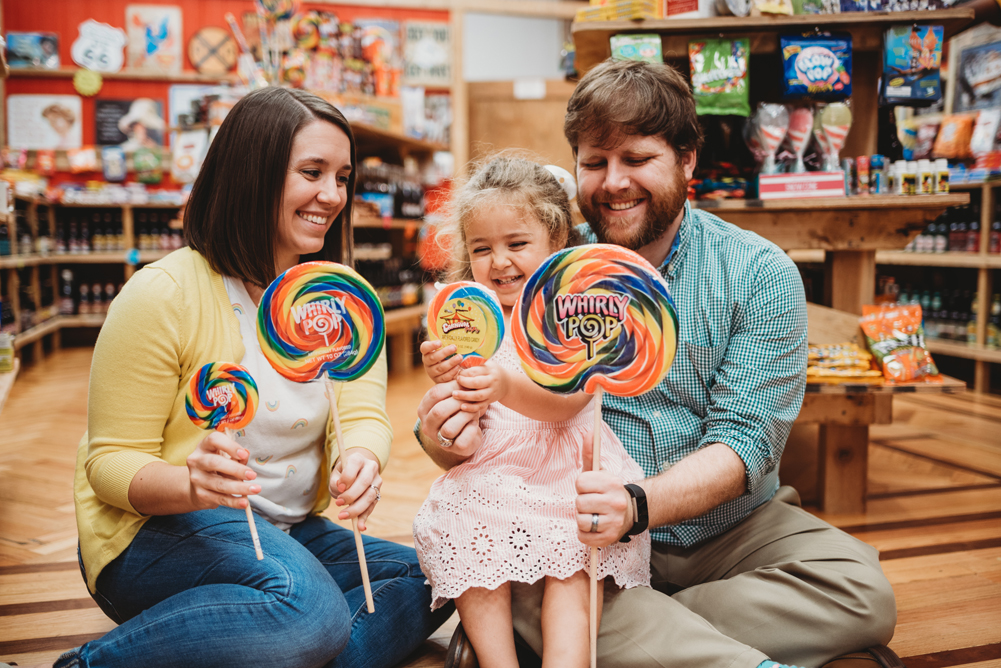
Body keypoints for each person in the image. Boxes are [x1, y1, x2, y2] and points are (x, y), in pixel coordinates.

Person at [417, 60, 897, 668]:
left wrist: (636, 505)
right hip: (568, 521)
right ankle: (683, 643)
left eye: (636, 159)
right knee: (526, 567)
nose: (613, 183)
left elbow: (748, 443)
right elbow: (483, 385)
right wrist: (440, 434)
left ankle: (647, 630)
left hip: (721, 529)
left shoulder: (758, 271)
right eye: (594, 163)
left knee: (863, 594)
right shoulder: (544, 265)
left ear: (687, 159)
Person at [63, 87, 451, 668]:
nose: (333, 195)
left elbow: (363, 414)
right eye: (312, 172)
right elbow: (110, 463)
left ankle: (269, 644)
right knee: (311, 612)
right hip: (155, 535)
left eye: (342, 176)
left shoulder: (341, 299)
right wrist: (190, 487)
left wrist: (363, 458)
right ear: (253, 173)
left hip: (286, 531)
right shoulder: (163, 294)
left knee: (438, 574)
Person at [413, 156, 651, 668]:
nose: (499, 262)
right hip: (495, 467)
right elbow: (466, 436)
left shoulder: (569, 313)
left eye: (516, 244)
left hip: (569, 467)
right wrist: (453, 384)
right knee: (459, 516)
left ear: (556, 243)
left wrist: (501, 384)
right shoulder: (469, 321)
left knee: (573, 563)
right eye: (482, 249)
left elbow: (573, 400)